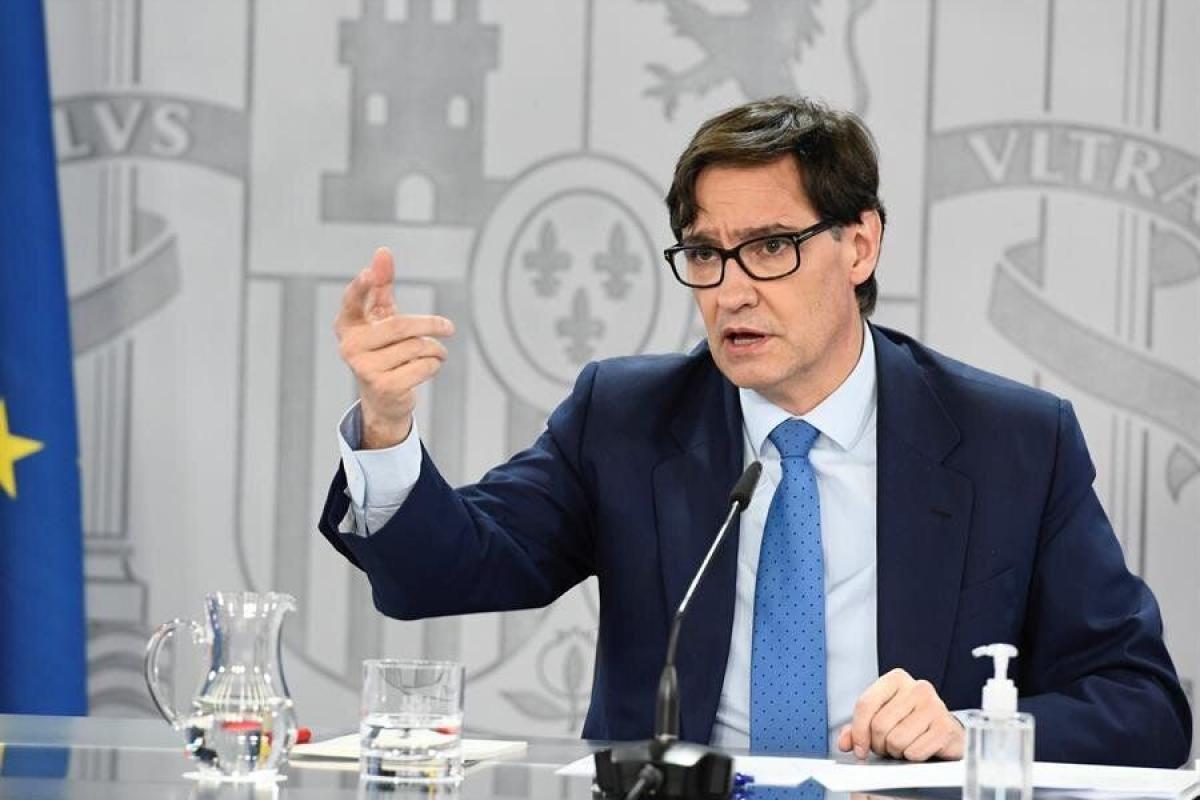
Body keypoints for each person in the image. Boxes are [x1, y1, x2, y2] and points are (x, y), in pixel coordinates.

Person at [318, 96, 1192, 766]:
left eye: (771, 246)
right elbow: (442, 571)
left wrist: (971, 733)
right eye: (706, 253)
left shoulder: (1012, 442)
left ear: (860, 245)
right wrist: (387, 425)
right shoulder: (625, 419)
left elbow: (1145, 706)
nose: (731, 290)